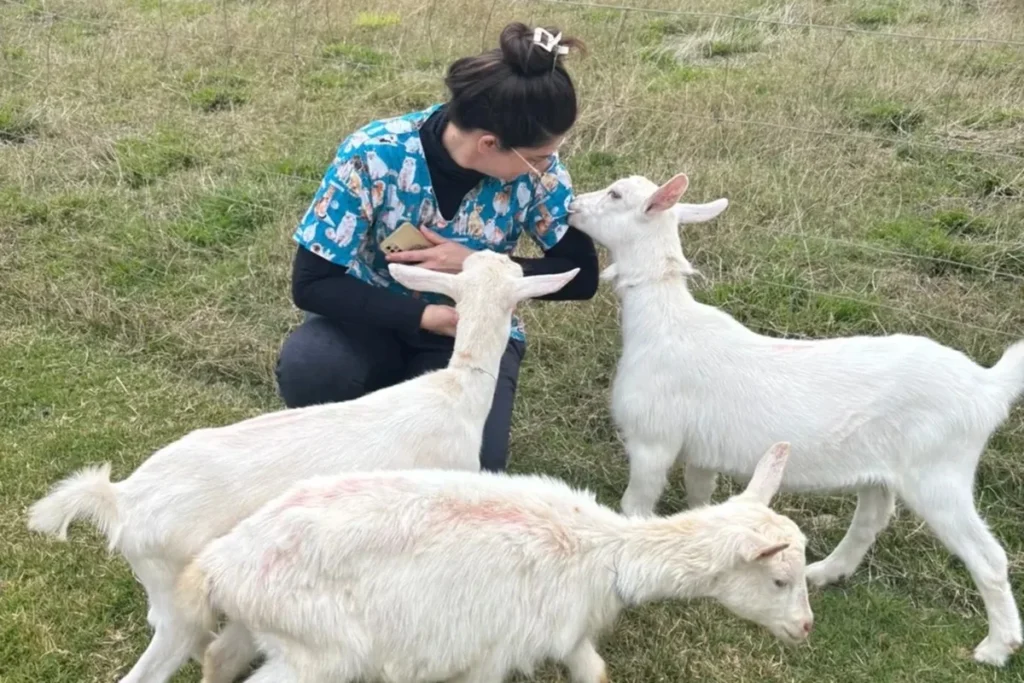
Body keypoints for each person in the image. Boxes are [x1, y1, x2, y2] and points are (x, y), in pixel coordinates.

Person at [275, 21, 599, 472]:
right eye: (540, 157)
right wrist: (426, 316)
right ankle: (367, 440)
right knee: (314, 369)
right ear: (489, 144)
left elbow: (582, 275)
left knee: (475, 469)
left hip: (473, 332)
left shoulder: (541, 177)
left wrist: (480, 263)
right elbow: (312, 283)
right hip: (368, 320)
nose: (549, 167)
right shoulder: (374, 154)